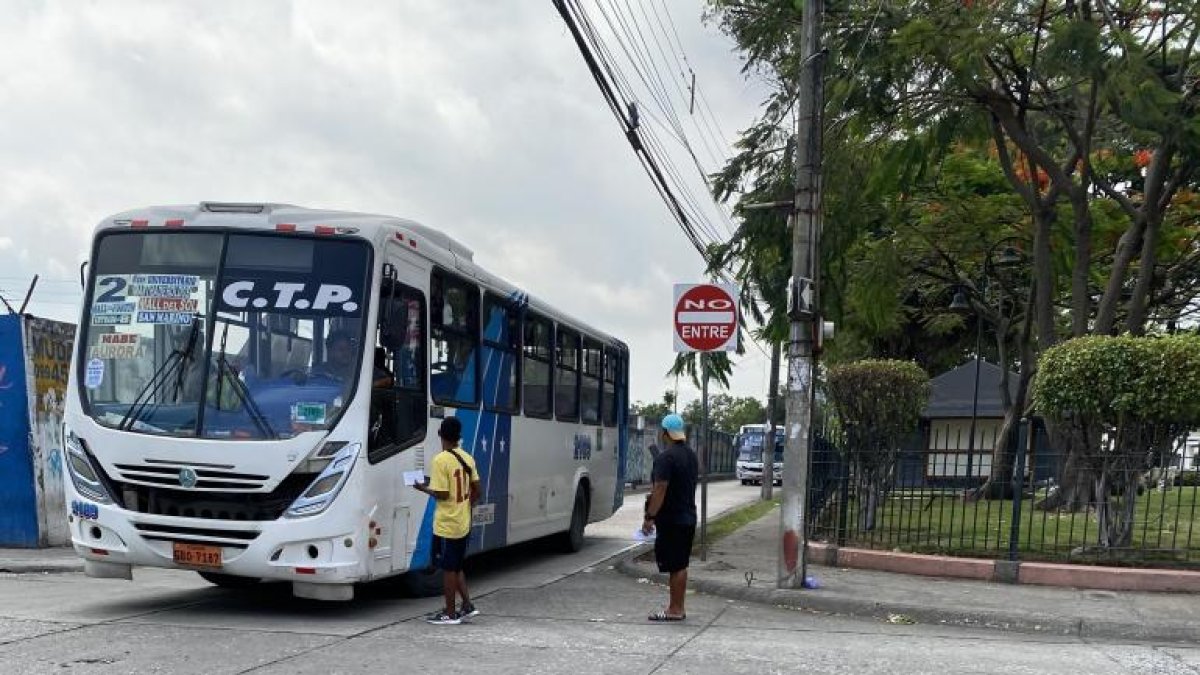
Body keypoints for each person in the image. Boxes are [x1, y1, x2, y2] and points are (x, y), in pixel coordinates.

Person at [412, 416, 481, 625]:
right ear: (458, 437)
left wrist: (421, 487)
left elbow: (442, 494)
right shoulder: (467, 458)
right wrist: (467, 506)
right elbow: (477, 488)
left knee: (449, 569)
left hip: (447, 524)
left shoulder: (440, 460)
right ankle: (467, 606)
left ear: (441, 435)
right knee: (456, 565)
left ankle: (450, 614)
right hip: (463, 521)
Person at [641, 413, 699, 622]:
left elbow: (660, 488)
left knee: (675, 565)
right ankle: (678, 607)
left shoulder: (665, 458)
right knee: (680, 565)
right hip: (688, 518)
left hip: (672, 520)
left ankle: (674, 609)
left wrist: (649, 517)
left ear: (665, 433)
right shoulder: (691, 456)